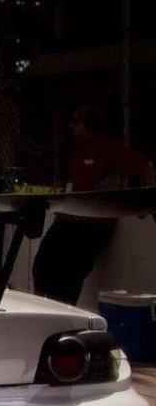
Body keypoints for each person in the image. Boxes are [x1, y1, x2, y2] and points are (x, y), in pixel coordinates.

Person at [33, 105, 155, 305]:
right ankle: (45, 308)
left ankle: (65, 312)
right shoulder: (76, 151)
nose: (71, 126)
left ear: (91, 124)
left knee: (70, 275)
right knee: (42, 267)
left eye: (77, 121)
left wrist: (143, 203)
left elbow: (144, 166)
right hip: (68, 218)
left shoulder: (108, 148)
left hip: (93, 223)